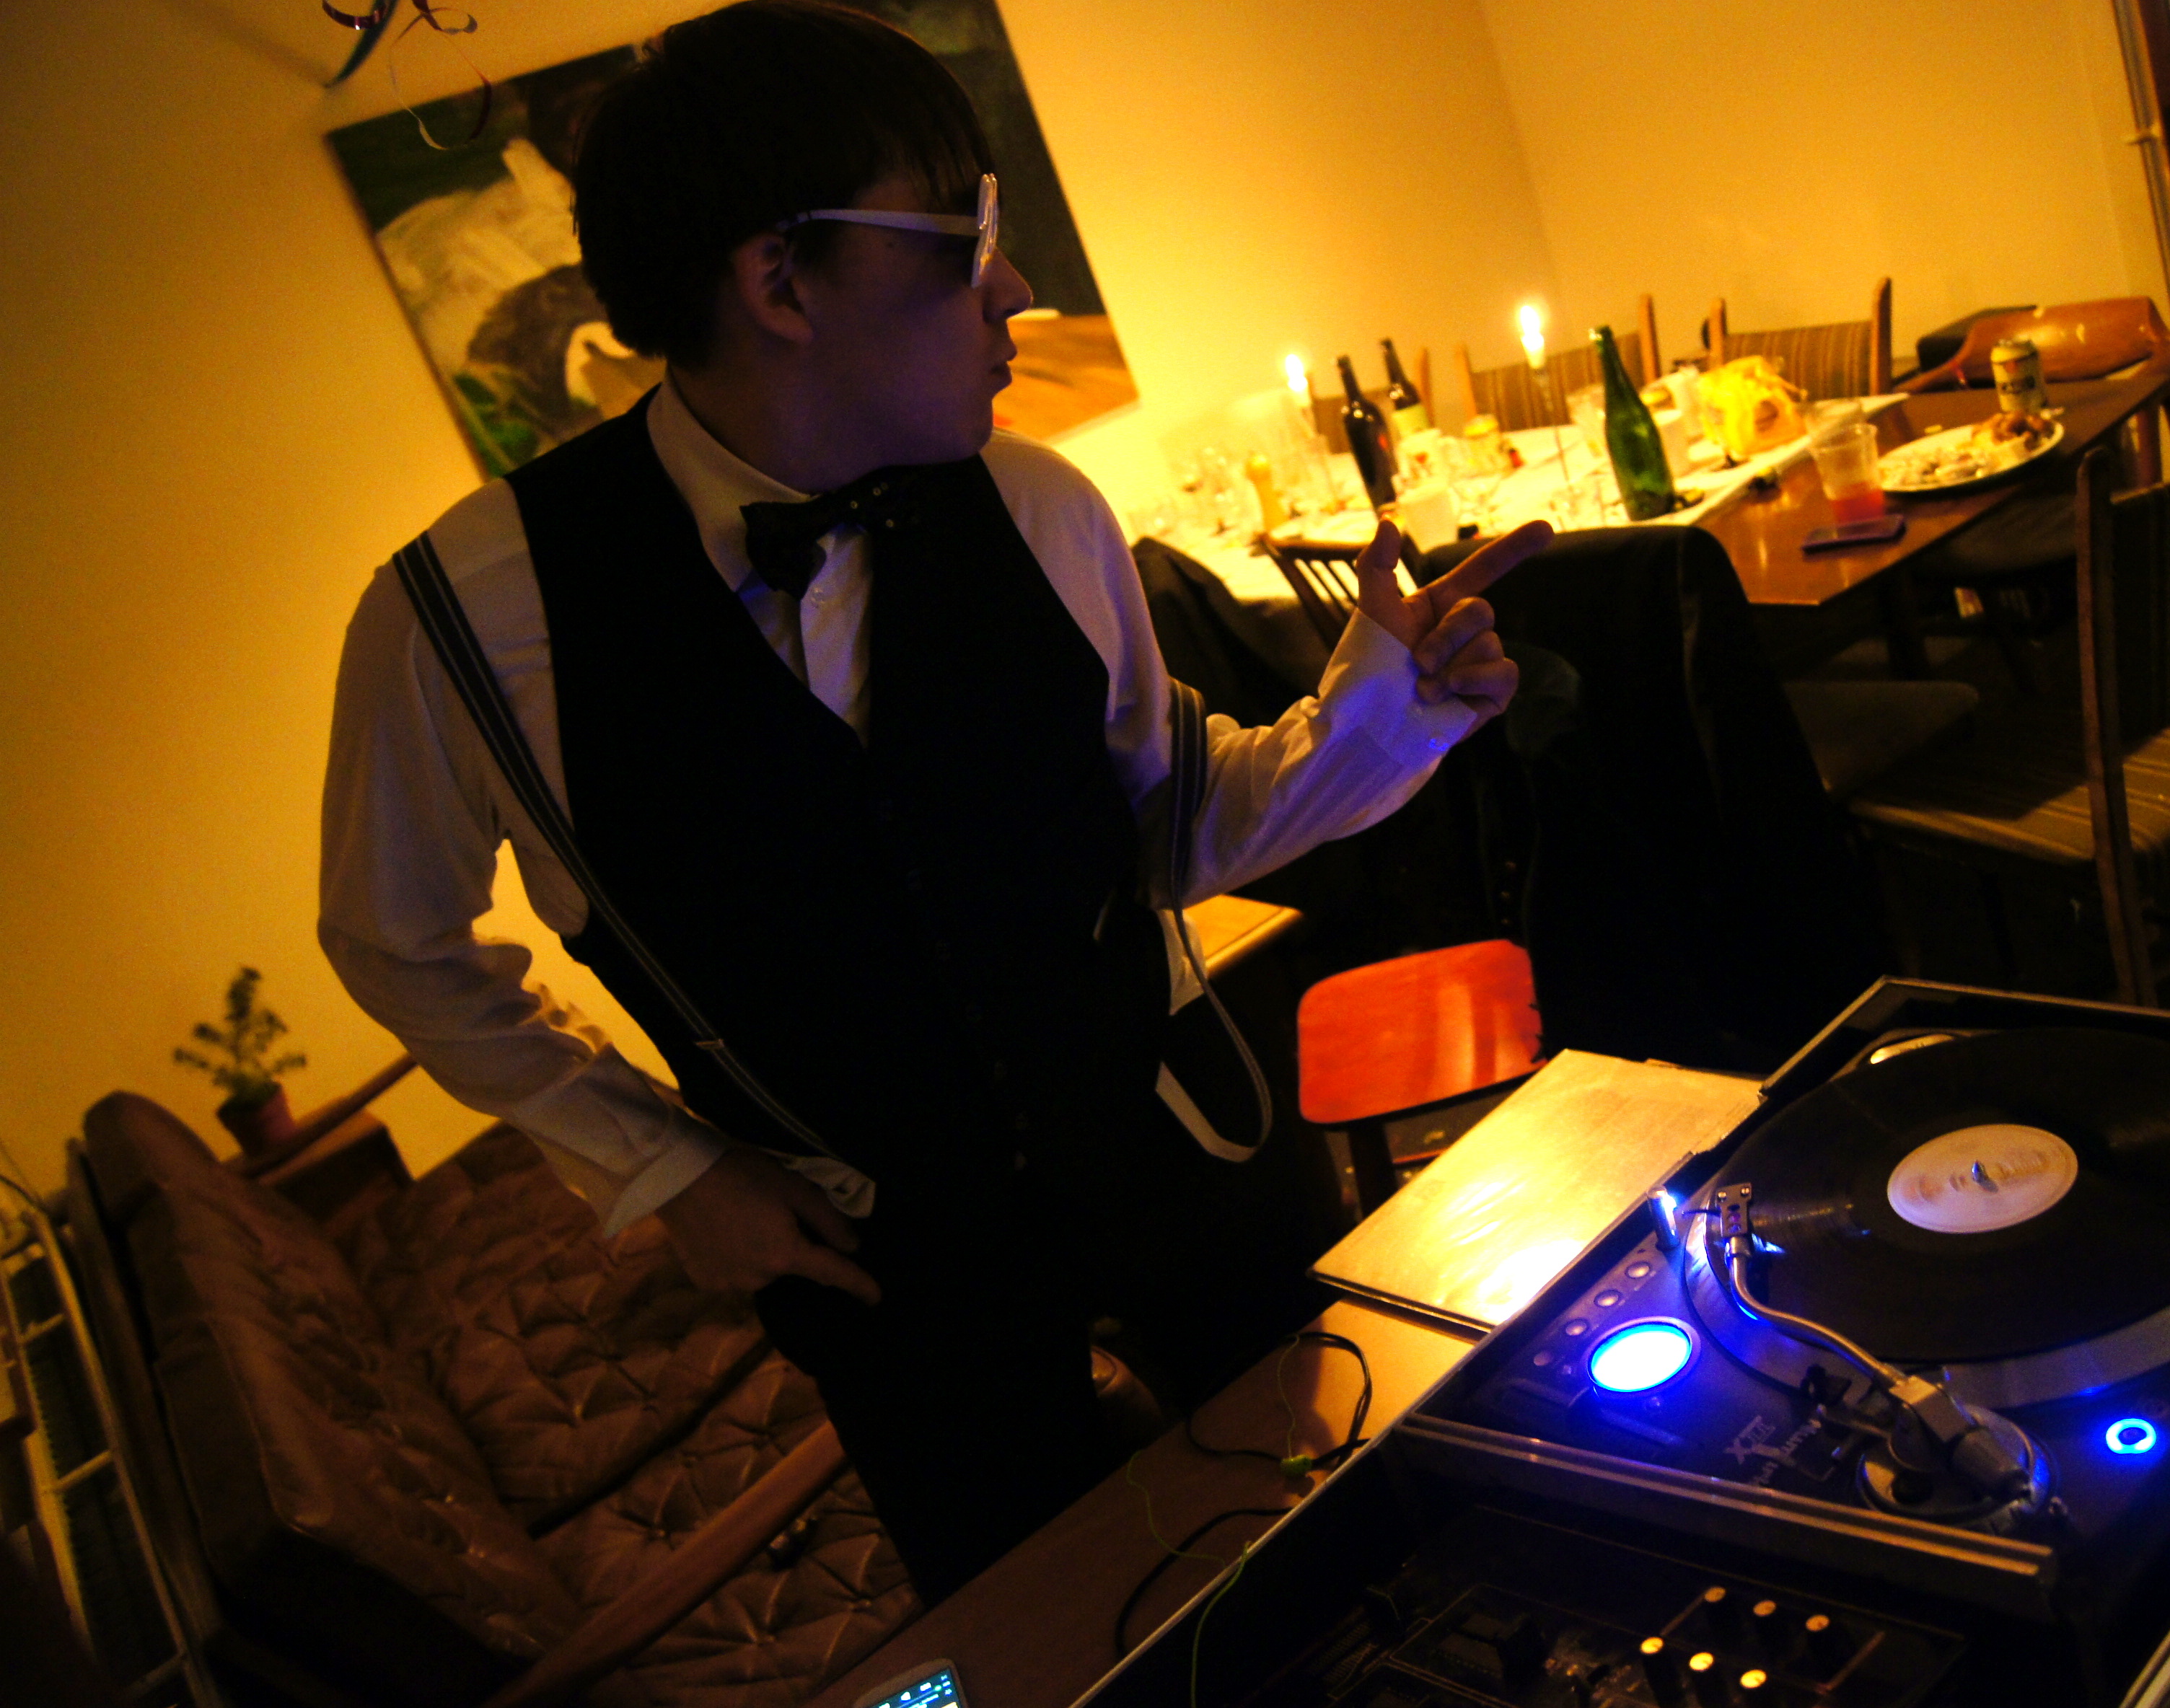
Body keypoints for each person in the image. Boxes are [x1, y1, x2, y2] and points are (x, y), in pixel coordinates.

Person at [319, 0, 1542, 1603]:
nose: (1015, 287)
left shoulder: (1041, 506)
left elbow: (1164, 831)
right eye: (963, 235)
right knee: (1055, 1622)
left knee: (1373, 1529)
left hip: (1181, 1151)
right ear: (780, 282)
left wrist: (1384, 715)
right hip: (874, 1262)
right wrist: (666, 1169)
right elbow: (395, 940)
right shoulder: (464, 620)